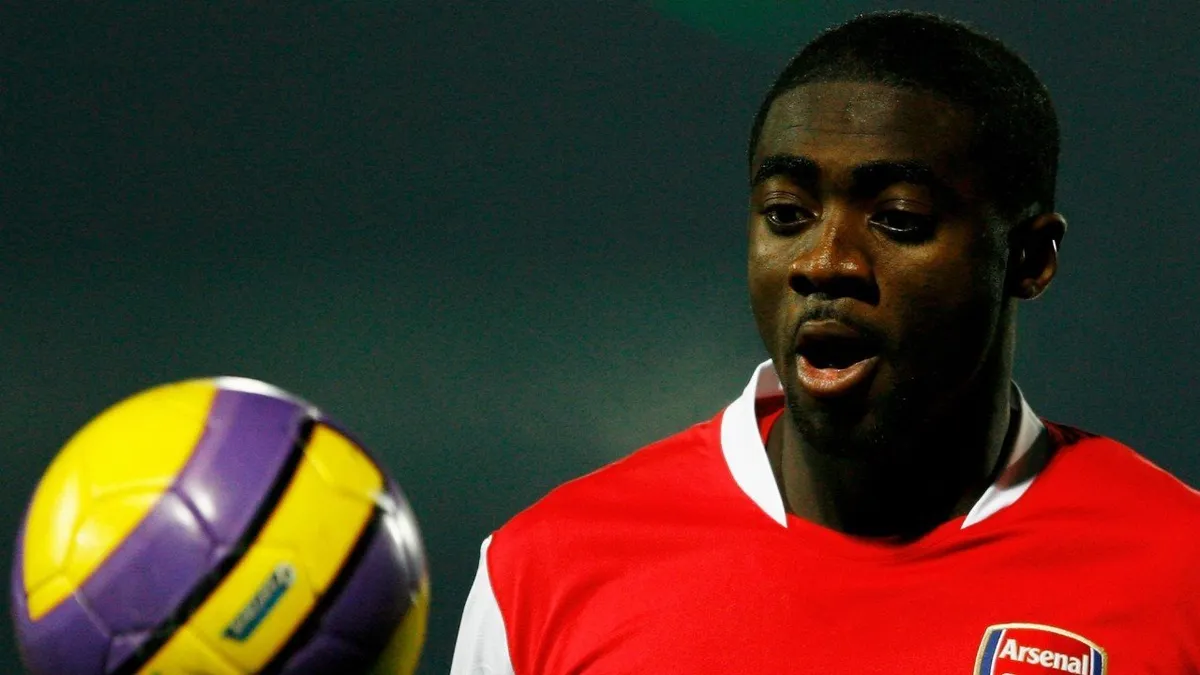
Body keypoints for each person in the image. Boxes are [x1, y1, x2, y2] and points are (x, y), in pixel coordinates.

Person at [449, 10, 1200, 674]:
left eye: (899, 218)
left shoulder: (1179, 570)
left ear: (1029, 258)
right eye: (787, 213)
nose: (824, 261)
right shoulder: (542, 572)